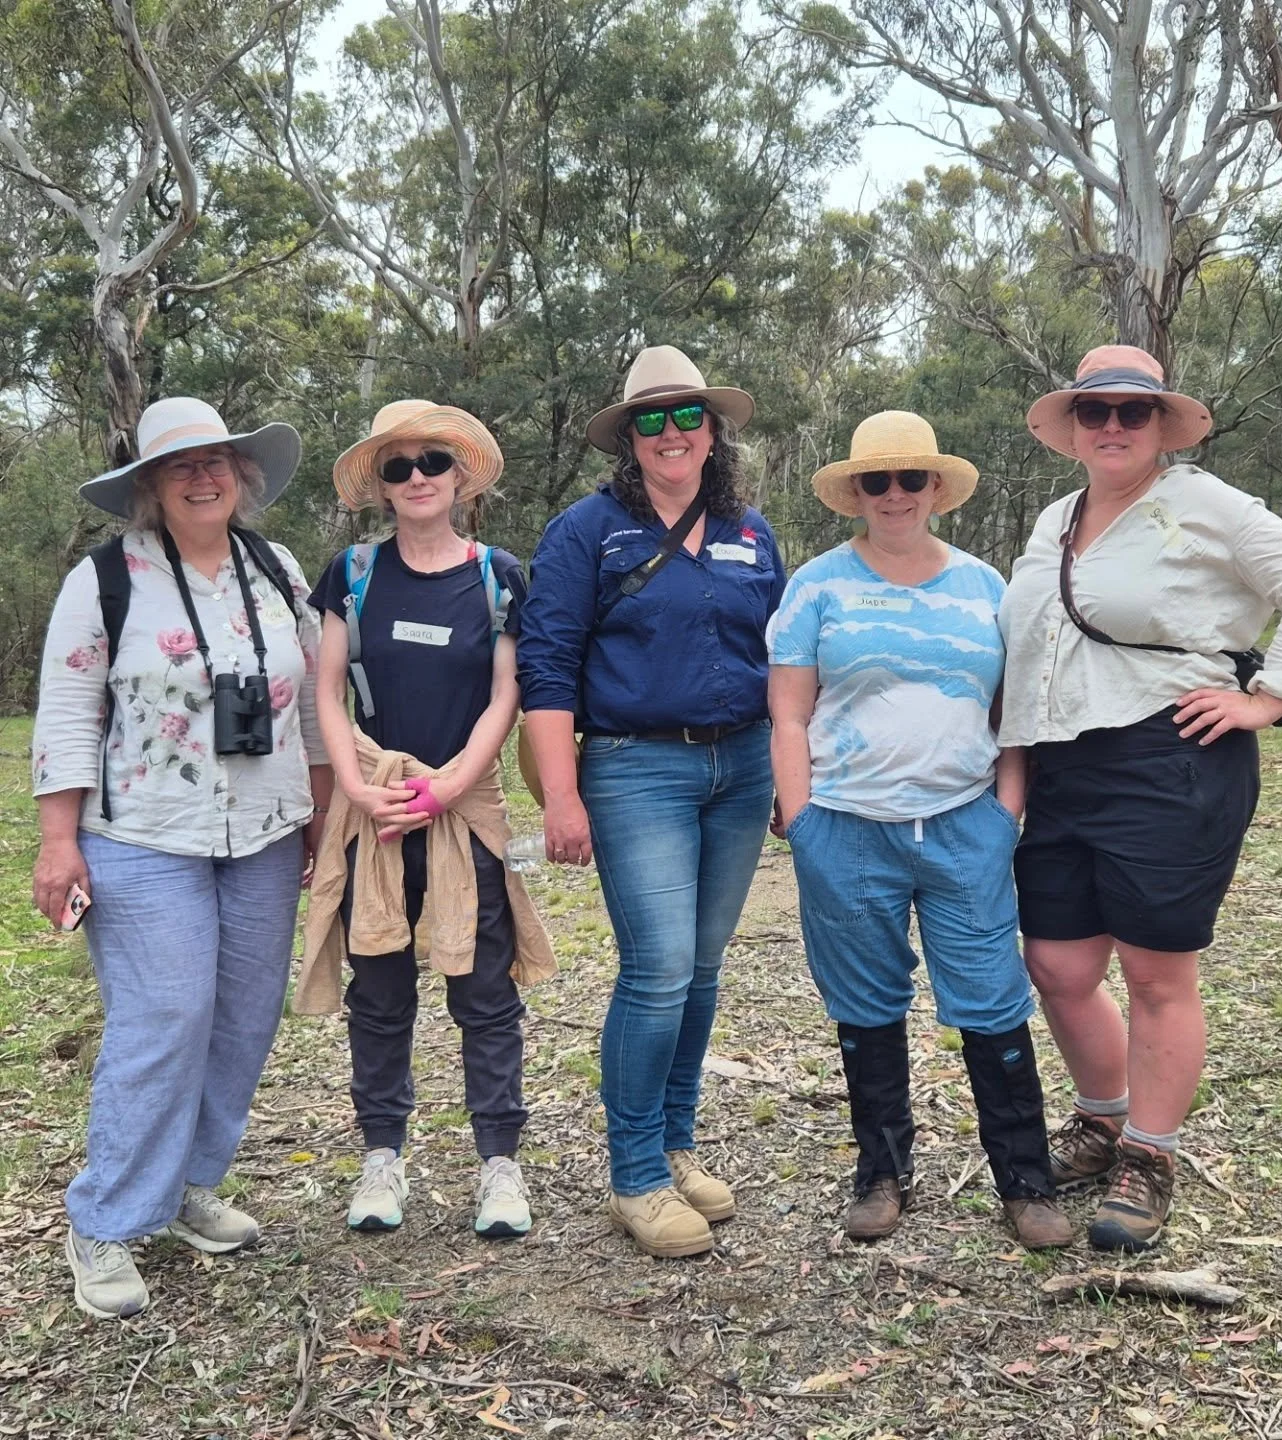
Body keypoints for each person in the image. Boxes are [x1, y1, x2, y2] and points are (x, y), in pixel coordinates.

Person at [1001, 345, 1282, 1251]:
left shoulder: (1202, 503)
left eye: (1134, 411)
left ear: (1163, 424)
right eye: (1095, 411)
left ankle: (1150, 1159)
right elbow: (1034, 639)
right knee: (1060, 965)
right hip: (1065, 763)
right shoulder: (1056, 517)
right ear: (1072, 425)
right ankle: (1105, 1117)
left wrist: (1271, 697)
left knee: (1157, 973)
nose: (1113, 426)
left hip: (1172, 757)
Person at [31, 397, 329, 1318]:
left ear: (242, 477)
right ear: (152, 489)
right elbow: (69, 710)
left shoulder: (276, 569)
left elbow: (314, 696)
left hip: (267, 830)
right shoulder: (106, 578)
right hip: (141, 835)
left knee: (243, 1016)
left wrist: (320, 806)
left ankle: (190, 1184)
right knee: (163, 1015)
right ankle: (110, 1217)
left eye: (217, 462)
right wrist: (56, 840)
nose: (203, 477)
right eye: (180, 466)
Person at [767, 410, 1072, 1249]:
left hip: (964, 824)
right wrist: (803, 823)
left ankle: (1025, 1180)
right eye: (877, 481)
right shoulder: (817, 587)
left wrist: (1005, 813)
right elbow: (788, 715)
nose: (894, 495)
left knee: (990, 997)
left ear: (936, 488)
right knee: (866, 1002)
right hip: (847, 826)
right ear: (856, 493)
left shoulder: (985, 588)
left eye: (910, 479)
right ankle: (881, 1173)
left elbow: (1014, 715)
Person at [518, 345, 784, 1258]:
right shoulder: (586, 532)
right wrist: (561, 795)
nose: (671, 435)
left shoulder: (752, 531)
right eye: (651, 421)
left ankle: (676, 1145)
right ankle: (633, 1174)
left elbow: (783, 664)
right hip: (636, 768)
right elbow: (545, 667)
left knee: (703, 968)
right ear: (628, 439)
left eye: (687, 417)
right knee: (658, 968)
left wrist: (793, 773)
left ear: (714, 430)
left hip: (744, 767)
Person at [298, 400, 556, 1240]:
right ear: (379, 483)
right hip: (372, 807)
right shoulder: (354, 572)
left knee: (482, 991)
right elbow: (327, 685)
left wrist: (449, 786)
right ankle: (382, 1158)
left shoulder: (497, 576)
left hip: (458, 807)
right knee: (378, 990)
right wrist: (353, 785)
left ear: (461, 478)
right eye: (398, 466)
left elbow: (506, 694)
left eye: (432, 463)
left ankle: (499, 1165)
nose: (416, 479)